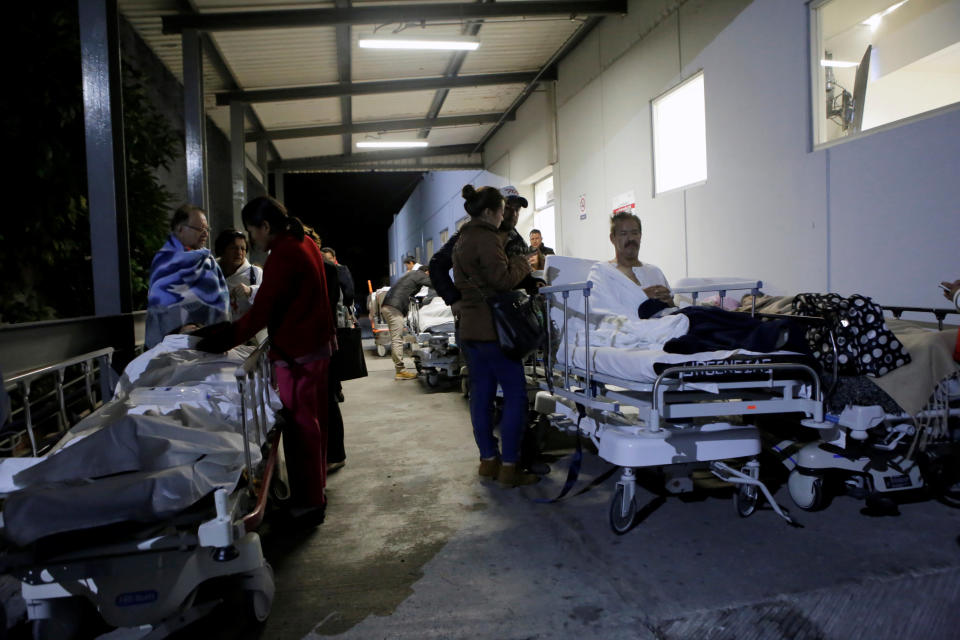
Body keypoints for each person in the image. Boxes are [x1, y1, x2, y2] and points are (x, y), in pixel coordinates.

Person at [195, 196, 335, 518]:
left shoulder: (284, 254)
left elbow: (262, 312)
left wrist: (221, 341)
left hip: (298, 356)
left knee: (301, 429)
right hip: (315, 348)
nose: (251, 239)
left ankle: (310, 502)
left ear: (266, 226)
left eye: (252, 231)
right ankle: (316, 490)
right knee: (315, 424)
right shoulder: (305, 243)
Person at [453, 184, 538, 488]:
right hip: (494, 330)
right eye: (503, 209)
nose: (506, 215)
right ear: (490, 211)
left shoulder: (462, 236)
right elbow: (501, 280)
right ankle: (511, 466)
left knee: (482, 396)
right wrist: (522, 262)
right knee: (515, 395)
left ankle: (488, 460)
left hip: (471, 329)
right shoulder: (487, 237)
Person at [145, 204, 229, 348]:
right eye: (199, 229)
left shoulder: (208, 261)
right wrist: (177, 330)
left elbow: (220, 302)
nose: (205, 234)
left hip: (211, 341)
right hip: (175, 344)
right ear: (180, 228)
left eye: (207, 229)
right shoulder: (164, 262)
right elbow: (161, 306)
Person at [587, 211, 675, 319]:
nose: (630, 239)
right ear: (612, 238)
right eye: (623, 234)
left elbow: (672, 311)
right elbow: (601, 312)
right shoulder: (601, 272)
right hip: (624, 331)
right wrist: (642, 296)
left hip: (665, 329)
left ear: (640, 236)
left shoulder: (654, 272)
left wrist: (669, 303)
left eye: (634, 233)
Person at [381, 265, 431, 380]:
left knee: (396, 338)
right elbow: (435, 283)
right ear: (426, 271)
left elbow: (409, 291)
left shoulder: (411, 274)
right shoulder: (420, 274)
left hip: (389, 305)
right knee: (397, 339)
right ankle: (400, 371)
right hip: (394, 307)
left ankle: (400, 369)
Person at [214, 229, 262, 318]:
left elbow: (269, 298)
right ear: (222, 250)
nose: (239, 253)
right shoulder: (210, 271)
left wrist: (251, 291)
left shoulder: (255, 273)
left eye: (243, 249)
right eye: (233, 248)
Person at [499, 185, 529, 258]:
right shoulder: (481, 237)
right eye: (507, 207)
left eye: (517, 209)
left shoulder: (521, 245)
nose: (513, 213)